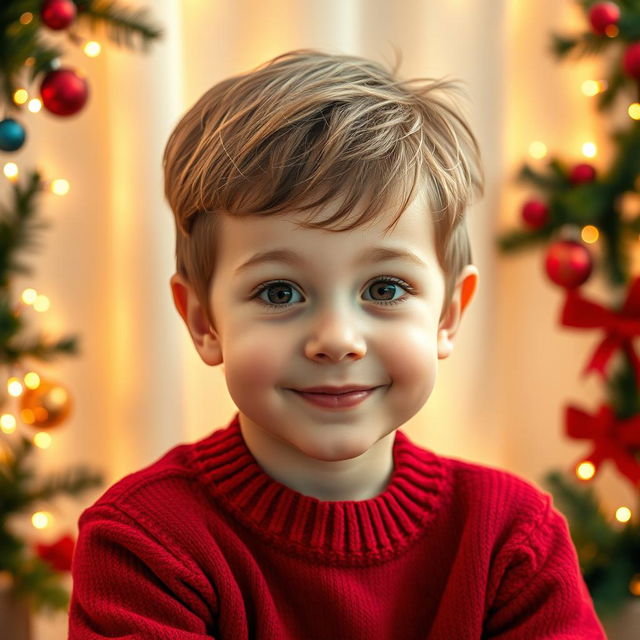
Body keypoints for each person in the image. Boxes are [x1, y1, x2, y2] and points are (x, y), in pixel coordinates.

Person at [68, 49, 606, 639]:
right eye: (278, 293)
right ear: (204, 321)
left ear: (447, 315)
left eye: (384, 287)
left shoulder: (511, 538)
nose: (337, 340)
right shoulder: (145, 544)